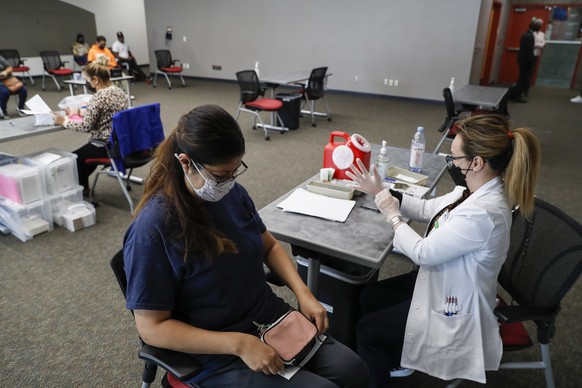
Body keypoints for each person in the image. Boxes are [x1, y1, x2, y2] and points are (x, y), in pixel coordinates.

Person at [122, 104, 369, 387]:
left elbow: (269, 246)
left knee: (354, 371)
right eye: (220, 175)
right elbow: (152, 329)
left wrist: (304, 293)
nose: (229, 182)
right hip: (214, 350)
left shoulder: (231, 194)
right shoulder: (153, 229)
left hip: (265, 318)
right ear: (186, 162)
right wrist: (239, 344)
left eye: (234, 171)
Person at [347, 114, 541, 388]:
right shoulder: (472, 190)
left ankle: (379, 372)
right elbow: (427, 209)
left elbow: (422, 252)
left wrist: (391, 214)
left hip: (454, 301)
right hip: (444, 277)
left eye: (454, 158)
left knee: (367, 332)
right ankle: (394, 360)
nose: (451, 163)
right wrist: (382, 190)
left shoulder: (484, 213)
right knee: (369, 295)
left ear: (476, 162)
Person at [53, 57, 128, 196]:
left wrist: (63, 121)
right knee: (85, 155)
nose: (87, 83)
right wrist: (79, 112)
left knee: (76, 157)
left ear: (95, 80)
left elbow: (85, 126)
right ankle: (82, 185)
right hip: (121, 141)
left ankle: (83, 190)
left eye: (87, 80)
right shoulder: (118, 91)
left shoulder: (98, 97)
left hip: (105, 144)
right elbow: (107, 112)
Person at [513, 19, 537, 103]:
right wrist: (532, 63)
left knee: (522, 78)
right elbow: (529, 51)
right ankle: (517, 96)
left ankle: (516, 95)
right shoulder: (529, 36)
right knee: (522, 79)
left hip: (522, 59)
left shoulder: (526, 34)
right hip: (525, 61)